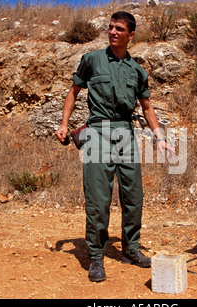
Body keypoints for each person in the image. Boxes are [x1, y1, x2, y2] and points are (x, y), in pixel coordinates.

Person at [55, 11, 175, 282]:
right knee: (99, 198)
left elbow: (146, 107)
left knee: (134, 196)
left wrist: (160, 138)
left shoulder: (138, 71)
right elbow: (73, 92)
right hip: (97, 131)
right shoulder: (92, 60)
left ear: (130, 35)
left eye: (119, 29)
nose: (113, 32)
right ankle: (96, 256)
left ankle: (131, 248)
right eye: (110, 27)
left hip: (126, 133)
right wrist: (64, 124)